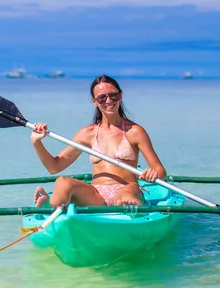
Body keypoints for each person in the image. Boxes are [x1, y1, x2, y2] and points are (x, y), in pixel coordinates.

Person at [32, 75, 166, 207]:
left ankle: (128, 208)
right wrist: (37, 143)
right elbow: (54, 167)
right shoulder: (87, 133)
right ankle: (49, 206)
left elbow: (160, 171)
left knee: (125, 197)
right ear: (94, 102)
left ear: (120, 96)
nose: (108, 101)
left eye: (113, 95)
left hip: (127, 188)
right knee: (63, 181)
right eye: (102, 98)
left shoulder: (135, 131)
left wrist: (153, 174)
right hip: (96, 195)